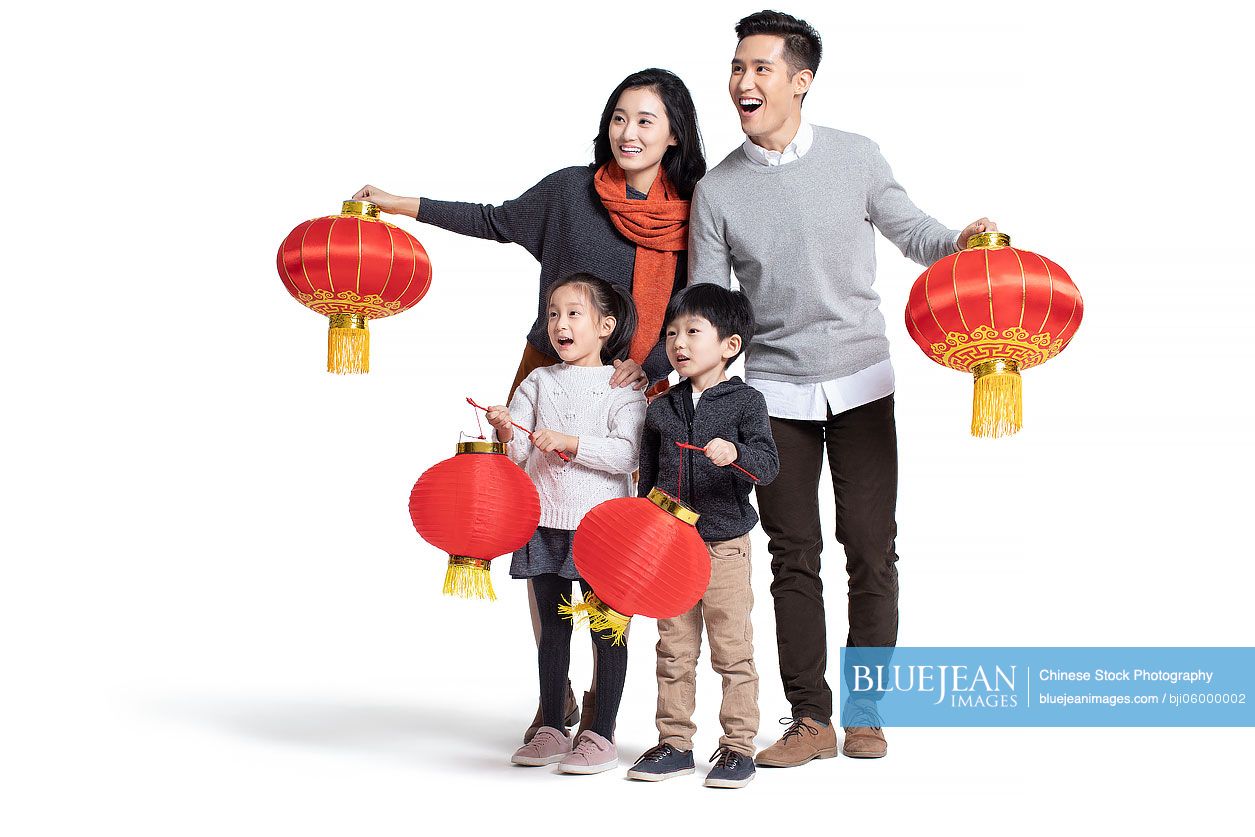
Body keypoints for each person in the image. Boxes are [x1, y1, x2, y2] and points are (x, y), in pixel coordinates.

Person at [355, 68, 705, 740]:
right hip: (544, 374)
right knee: (541, 529)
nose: (627, 133)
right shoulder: (569, 191)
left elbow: (695, 305)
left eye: (644, 121)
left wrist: (651, 368)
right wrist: (402, 204)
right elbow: (492, 220)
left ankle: (603, 712)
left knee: (617, 545)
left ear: (674, 134)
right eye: (618, 118)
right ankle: (554, 702)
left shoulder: (693, 212)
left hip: (635, 389)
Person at [687, 10, 998, 765]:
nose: (743, 81)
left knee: (870, 547)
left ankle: (865, 713)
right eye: (736, 67)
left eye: (760, 67)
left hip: (862, 381)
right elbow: (706, 300)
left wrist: (961, 240)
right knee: (792, 554)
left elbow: (912, 232)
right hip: (775, 395)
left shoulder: (856, 157)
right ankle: (809, 719)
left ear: (800, 80)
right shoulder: (717, 190)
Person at [485, 274, 647, 774]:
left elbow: (626, 455)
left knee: (608, 631)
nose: (560, 324)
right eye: (553, 313)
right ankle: (552, 726)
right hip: (545, 523)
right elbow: (515, 456)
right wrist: (505, 430)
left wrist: (571, 442)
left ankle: (600, 734)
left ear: (605, 326)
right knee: (553, 631)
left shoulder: (624, 390)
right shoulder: (538, 381)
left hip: (604, 529)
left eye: (574, 313)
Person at [626, 283, 779, 789]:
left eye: (693, 331)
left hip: (725, 547)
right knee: (673, 650)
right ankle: (673, 742)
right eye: (672, 333)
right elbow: (646, 479)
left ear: (729, 345)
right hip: (670, 548)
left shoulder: (747, 402)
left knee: (732, 650)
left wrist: (735, 456)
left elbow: (768, 465)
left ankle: (738, 746)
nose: (678, 343)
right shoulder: (661, 407)